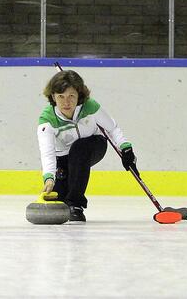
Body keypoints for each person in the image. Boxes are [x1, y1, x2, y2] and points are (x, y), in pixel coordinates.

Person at [37, 70, 136, 222]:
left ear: (79, 95)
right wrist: (49, 178)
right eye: (61, 97)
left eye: (71, 96)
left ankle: (76, 205)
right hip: (63, 156)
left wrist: (126, 148)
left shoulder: (90, 107)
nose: (66, 102)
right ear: (53, 97)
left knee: (79, 148)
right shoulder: (47, 120)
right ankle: (67, 200)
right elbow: (47, 152)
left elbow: (112, 128)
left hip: (93, 146)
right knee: (59, 196)